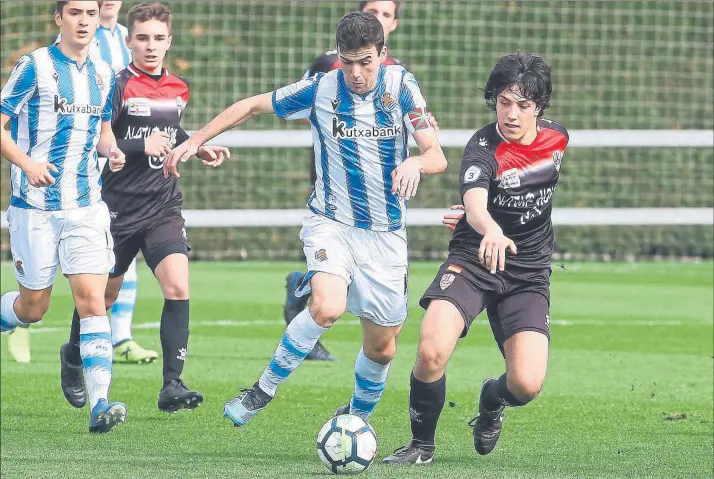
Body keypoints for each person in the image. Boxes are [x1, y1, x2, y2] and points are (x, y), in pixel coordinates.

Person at [165, 11, 447, 427]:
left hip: (385, 234)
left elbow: (437, 155)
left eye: (365, 62)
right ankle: (261, 390)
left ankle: (355, 418)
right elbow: (252, 106)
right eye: (347, 61)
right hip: (330, 221)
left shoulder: (403, 88)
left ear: (383, 55)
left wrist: (416, 163)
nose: (355, 72)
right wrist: (197, 139)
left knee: (383, 348)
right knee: (327, 306)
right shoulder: (321, 88)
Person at [383, 52, 569, 464]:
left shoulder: (559, 139)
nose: (512, 114)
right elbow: (475, 198)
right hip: (474, 259)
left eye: (523, 104)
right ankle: (421, 445)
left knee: (526, 384)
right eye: (504, 102)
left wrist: (486, 217)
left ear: (539, 106)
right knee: (431, 347)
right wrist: (486, 225)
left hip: (528, 272)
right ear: (493, 101)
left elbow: (520, 192)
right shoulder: (483, 145)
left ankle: (491, 399)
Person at [59, 2, 229, 413]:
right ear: (129, 40)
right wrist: (137, 146)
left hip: (163, 205)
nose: (151, 46)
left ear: (169, 41)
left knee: (178, 285)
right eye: (143, 38)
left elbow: (169, 129)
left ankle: (172, 384)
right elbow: (98, 139)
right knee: (103, 296)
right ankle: (72, 355)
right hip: (117, 207)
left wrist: (196, 147)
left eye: (159, 38)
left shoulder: (179, 87)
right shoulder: (113, 85)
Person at [283, 0, 439, 362]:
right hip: (335, 182)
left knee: (386, 331)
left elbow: (423, 130)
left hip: (384, 196)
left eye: (385, 15)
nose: (377, 18)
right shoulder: (327, 66)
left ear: (393, 27)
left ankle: (303, 286)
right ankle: (309, 303)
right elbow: (302, 104)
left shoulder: (401, 76)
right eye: (372, 11)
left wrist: (422, 148)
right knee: (330, 287)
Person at [0, 0, 128, 433]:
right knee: (33, 308)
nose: (84, 20)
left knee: (92, 301)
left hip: (86, 207)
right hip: (33, 210)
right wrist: (28, 165)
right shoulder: (33, 66)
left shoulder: (105, 72)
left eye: (90, 13)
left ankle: (100, 403)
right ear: (59, 18)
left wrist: (110, 151)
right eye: (74, 12)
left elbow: (104, 129)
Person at [25, 0, 157, 367]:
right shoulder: (73, 41)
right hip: (69, 165)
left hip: (109, 155)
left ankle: (121, 337)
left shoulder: (124, 36)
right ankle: (23, 314)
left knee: (120, 247)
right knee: (37, 295)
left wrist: (117, 147)